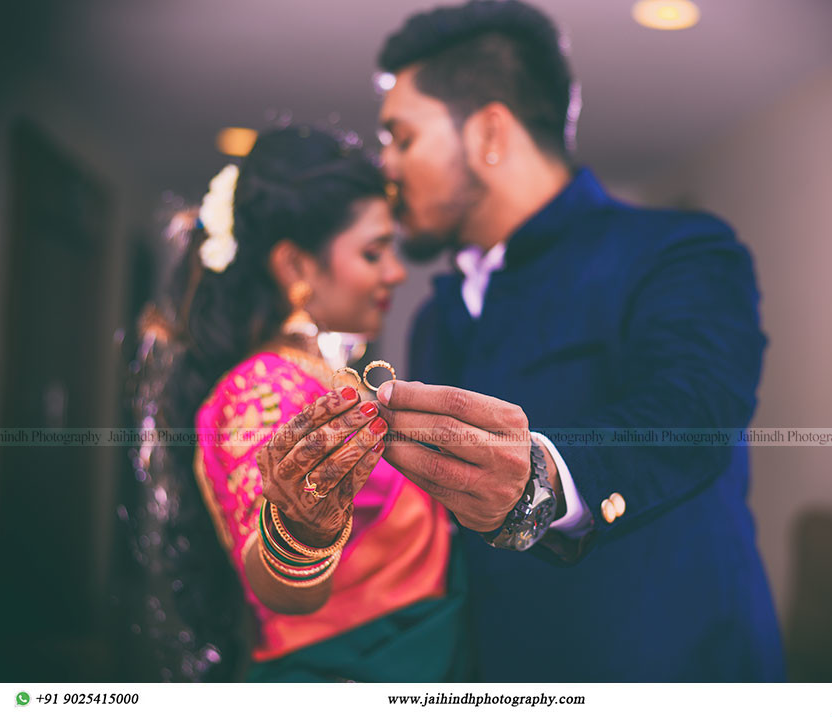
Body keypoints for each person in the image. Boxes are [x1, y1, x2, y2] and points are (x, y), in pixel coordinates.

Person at [372, 0, 785, 680]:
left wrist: (540, 481)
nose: (386, 164)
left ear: (490, 134)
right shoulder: (430, 319)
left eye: (402, 137)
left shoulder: (679, 251)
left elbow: (693, 410)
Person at [128, 126, 469, 682]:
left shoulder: (316, 376)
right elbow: (274, 575)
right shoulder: (260, 389)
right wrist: (301, 531)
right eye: (373, 252)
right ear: (296, 268)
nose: (396, 272)